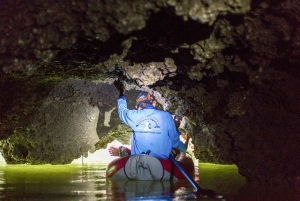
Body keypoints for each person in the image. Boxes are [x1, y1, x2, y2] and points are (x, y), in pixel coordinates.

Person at [109, 80, 180, 159]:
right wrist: (175, 129)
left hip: (138, 163)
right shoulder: (166, 116)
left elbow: (122, 111)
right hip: (160, 165)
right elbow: (175, 143)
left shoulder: (134, 115)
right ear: (154, 103)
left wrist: (122, 93)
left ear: (137, 107)